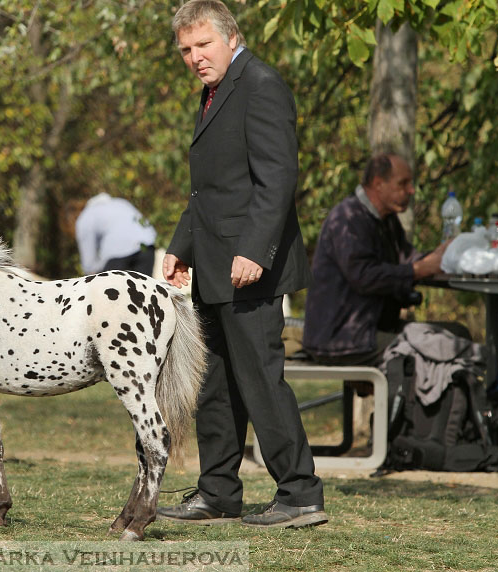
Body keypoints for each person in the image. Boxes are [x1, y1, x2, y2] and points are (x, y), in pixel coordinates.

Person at [156, 0, 326, 529]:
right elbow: (210, 190)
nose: (195, 57)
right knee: (215, 383)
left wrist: (254, 250)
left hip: (249, 264)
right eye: (186, 50)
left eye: (203, 44)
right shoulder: (215, 93)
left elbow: (276, 179)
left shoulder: (261, 84)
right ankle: (219, 492)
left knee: (259, 379)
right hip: (211, 264)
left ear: (232, 36)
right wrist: (180, 246)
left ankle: (299, 493)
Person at [302, 153, 448, 366]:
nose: (411, 190)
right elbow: (364, 277)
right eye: (403, 183)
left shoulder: (386, 219)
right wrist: (418, 270)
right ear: (378, 184)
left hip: (371, 330)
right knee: (438, 354)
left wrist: (444, 256)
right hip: (343, 338)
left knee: (455, 337)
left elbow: (408, 258)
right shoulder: (348, 219)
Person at [73, 192, 157, 276]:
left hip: (118, 253)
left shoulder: (85, 218)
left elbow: (89, 265)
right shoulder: (120, 202)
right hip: (147, 245)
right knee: (142, 287)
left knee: (111, 287)